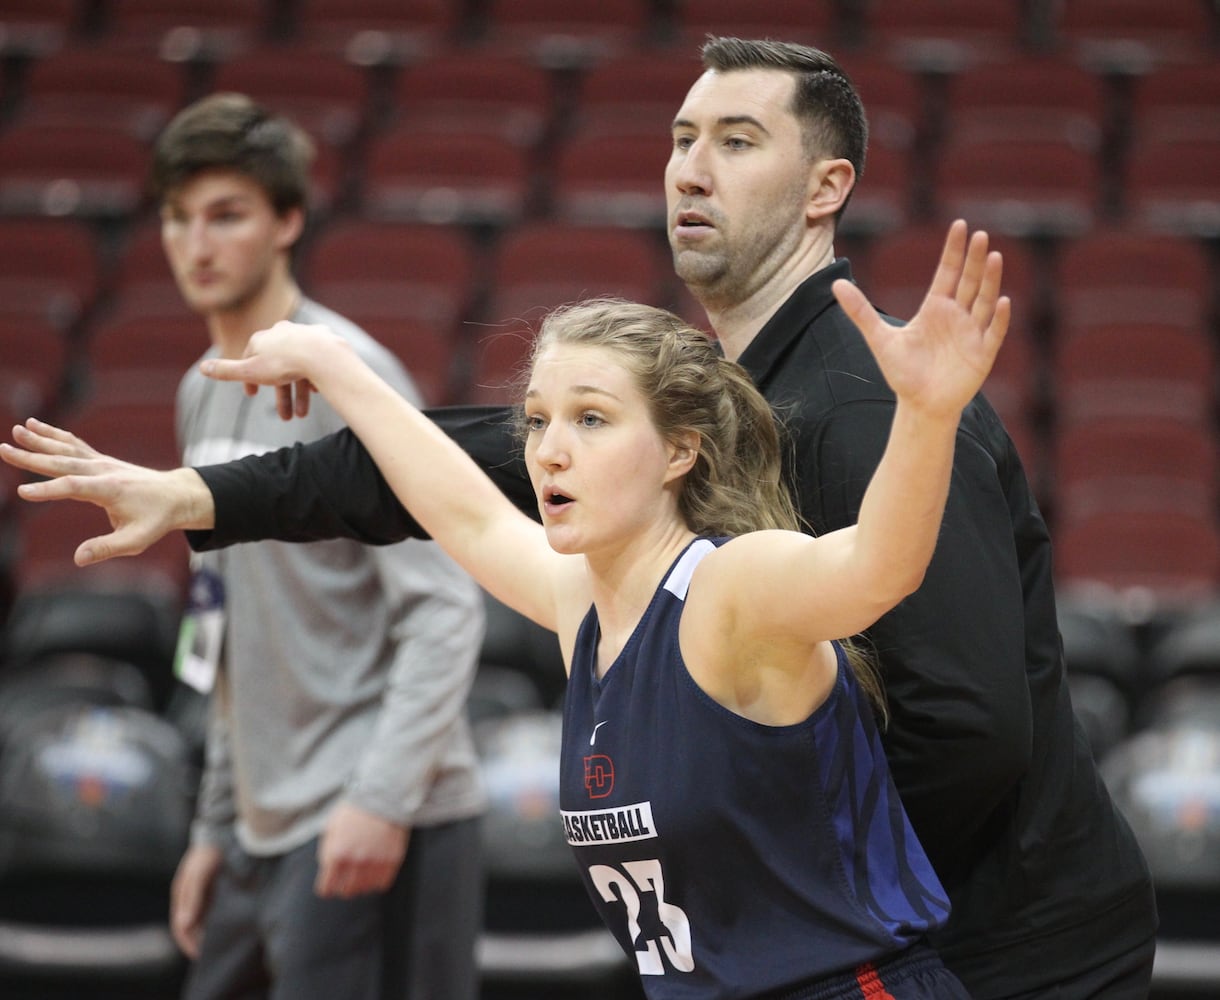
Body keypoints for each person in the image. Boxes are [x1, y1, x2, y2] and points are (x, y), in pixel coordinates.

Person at [2, 37, 1156, 1000]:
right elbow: (461, 476)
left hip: (994, 952)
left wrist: (782, 878)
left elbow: (964, 721)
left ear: (826, 189)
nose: (689, 170)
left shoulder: (857, 411)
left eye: (736, 142)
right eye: (678, 140)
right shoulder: (656, 472)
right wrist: (209, 489)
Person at [206, 219, 1007, 998]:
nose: (550, 449)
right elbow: (469, 514)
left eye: (591, 419)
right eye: (536, 421)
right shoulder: (588, 610)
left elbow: (878, 568)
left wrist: (927, 414)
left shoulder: (731, 587)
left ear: (679, 450)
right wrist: (332, 363)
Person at [145, 93, 488, 1000]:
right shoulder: (197, 392)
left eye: (227, 216)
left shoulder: (351, 372)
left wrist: (380, 800)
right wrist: (215, 827)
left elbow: (445, 605)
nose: (197, 244)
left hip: (380, 810)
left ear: (288, 221)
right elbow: (225, 629)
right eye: (178, 219)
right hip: (265, 819)